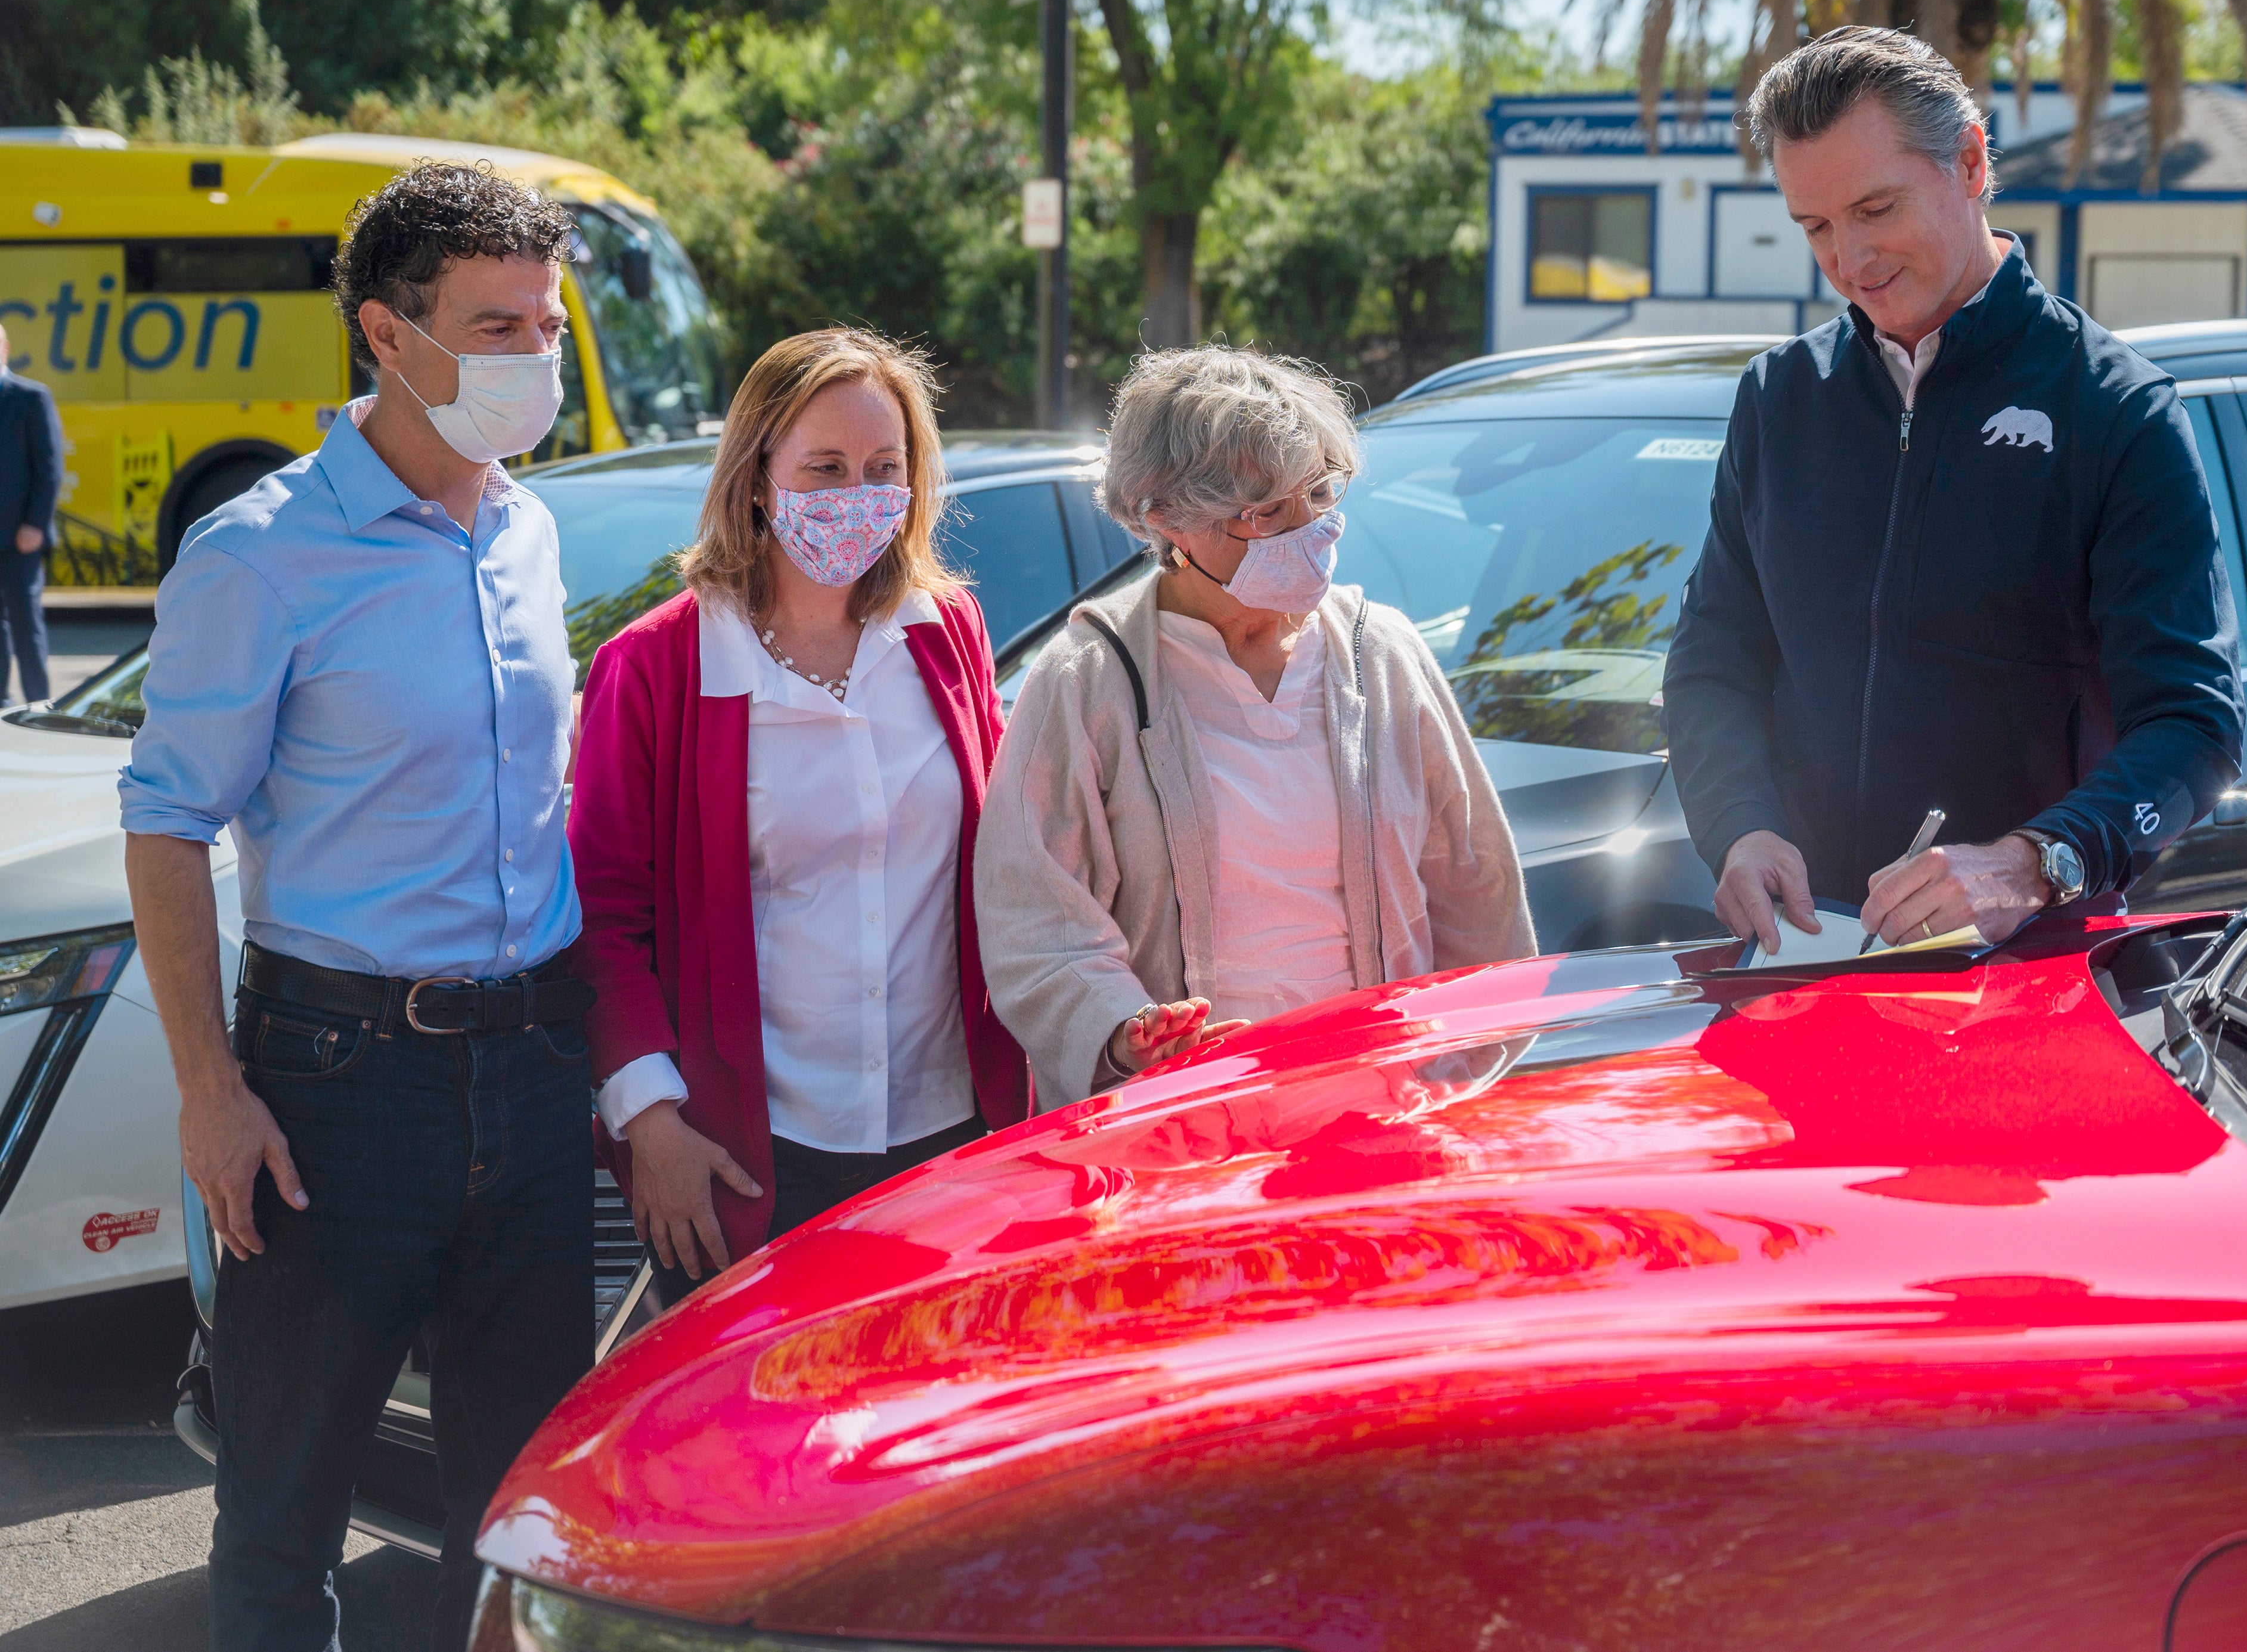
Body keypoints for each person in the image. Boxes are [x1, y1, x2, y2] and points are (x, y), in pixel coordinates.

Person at [116, 163, 589, 1652]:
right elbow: (168, 817)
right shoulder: (260, 554)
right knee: (283, 1515)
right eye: (495, 324)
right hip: (337, 1087)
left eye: (546, 320)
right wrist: (211, 1089)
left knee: (517, 1518)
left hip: (529, 1070)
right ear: (387, 334)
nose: (535, 356)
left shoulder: (529, 529)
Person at [1662, 27, 2244, 951]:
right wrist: (1737, 823)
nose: (1850, 260)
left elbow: (2194, 723)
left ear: (1970, 162)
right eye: (1815, 226)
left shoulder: (2116, 408)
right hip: (1806, 960)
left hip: (2032, 974)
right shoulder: (1778, 401)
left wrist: (2034, 861)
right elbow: (1712, 659)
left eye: (1875, 208)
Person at [571, 328, 1029, 1285]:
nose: (857, 494)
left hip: (951, 1140)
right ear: (754, 479)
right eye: (824, 467)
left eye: (883, 467)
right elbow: (603, 919)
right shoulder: (655, 668)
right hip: (756, 1154)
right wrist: (651, 1122)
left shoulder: (948, 631)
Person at [977, 345, 1536, 1107]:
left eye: (1318, 493)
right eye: (1266, 511)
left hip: (1381, 1114)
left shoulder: (1384, 653)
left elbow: (1477, 891)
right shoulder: (1088, 680)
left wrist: (1460, 1082)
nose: (1308, 530)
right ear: (1164, 516)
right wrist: (1121, 1031)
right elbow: (1034, 918)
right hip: (1182, 1137)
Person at [0, 319, 64, 705]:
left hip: (22, 537)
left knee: (26, 625)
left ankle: (40, 706)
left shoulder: (31, 397)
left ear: (4, 350)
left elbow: (49, 467)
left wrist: (35, 524)